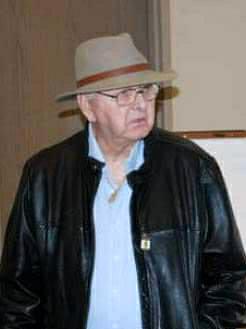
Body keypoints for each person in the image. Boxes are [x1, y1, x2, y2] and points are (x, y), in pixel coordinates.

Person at [0, 33, 246, 329]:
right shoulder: (45, 175)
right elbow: (18, 292)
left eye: (146, 90)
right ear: (87, 107)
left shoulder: (193, 169)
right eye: (124, 94)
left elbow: (230, 279)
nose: (141, 104)